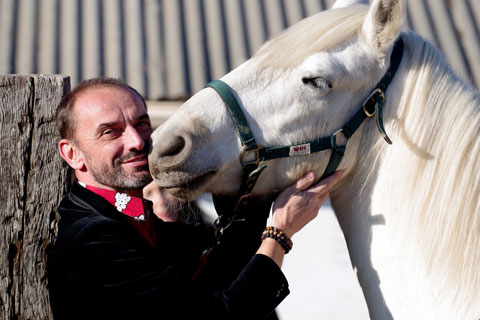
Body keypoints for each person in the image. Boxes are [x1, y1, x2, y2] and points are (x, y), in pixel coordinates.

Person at [47, 78, 343, 320]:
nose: (137, 141)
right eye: (111, 132)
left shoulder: (129, 218)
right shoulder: (93, 241)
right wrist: (280, 232)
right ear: (72, 154)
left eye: (141, 124)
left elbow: (221, 266)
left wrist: (254, 185)